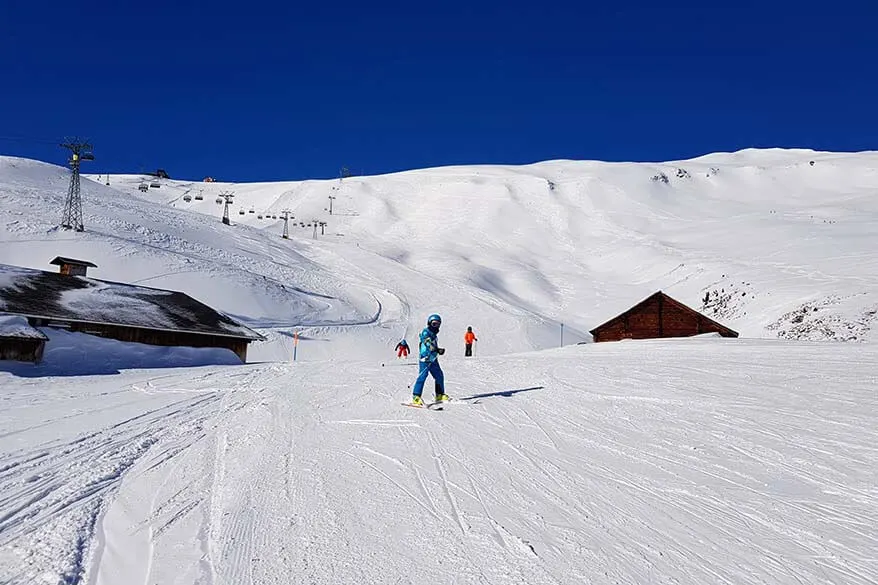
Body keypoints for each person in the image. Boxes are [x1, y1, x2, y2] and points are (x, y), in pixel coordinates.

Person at [410, 314, 449, 406]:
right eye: (434, 324)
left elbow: (433, 346)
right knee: (422, 376)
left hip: (433, 358)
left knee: (439, 375)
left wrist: (438, 350)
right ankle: (416, 397)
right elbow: (427, 343)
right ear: (429, 323)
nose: (436, 326)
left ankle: (439, 394)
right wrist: (436, 350)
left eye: (438, 324)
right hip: (425, 358)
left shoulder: (434, 335)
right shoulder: (426, 332)